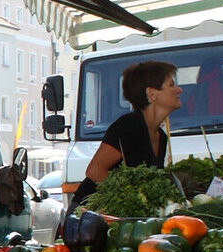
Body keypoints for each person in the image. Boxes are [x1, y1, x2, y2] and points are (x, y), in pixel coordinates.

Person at [70, 61, 182, 205]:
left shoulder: (161, 136)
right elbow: (94, 170)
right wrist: (132, 196)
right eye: (171, 84)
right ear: (151, 93)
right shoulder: (130, 125)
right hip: (90, 216)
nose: (179, 90)